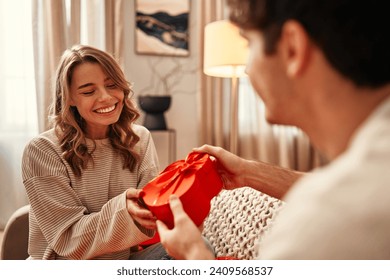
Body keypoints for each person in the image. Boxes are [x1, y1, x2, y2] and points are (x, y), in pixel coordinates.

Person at [156, 0, 390, 259]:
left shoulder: (321, 226)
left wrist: (194, 255)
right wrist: (248, 172)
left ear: (292, 47)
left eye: (248, 44)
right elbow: (350, 189)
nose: (247, 68)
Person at [22, 45, 171, 260]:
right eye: (88, 91)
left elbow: (150, 216)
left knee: (196, 247)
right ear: (70, 98)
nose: (106, 97)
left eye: (112, 85)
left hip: (123, 262)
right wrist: (123, 210)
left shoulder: (140, 139)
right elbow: (68, 240)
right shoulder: (42, 150)